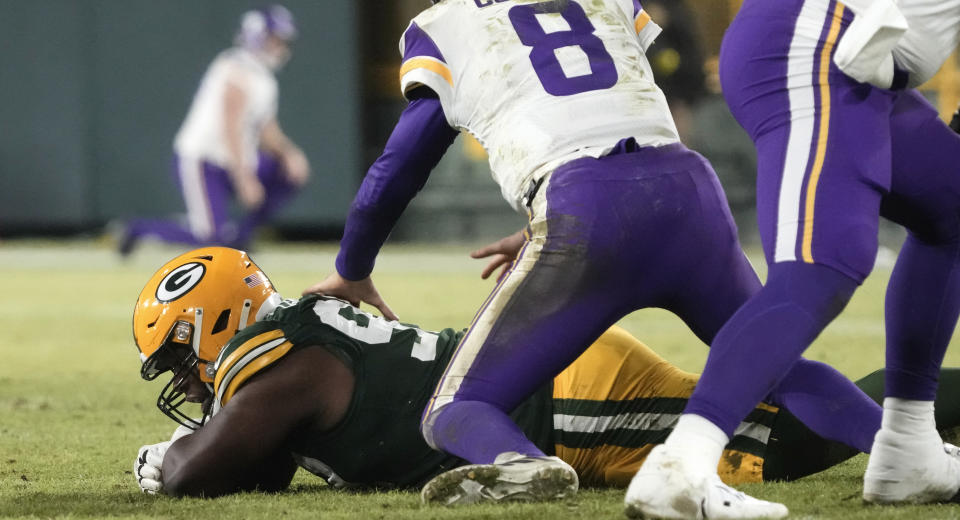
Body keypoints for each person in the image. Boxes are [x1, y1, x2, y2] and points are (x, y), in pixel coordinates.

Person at [301, 0, 894, 513]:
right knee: (776, 365)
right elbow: (606, 111)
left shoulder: (447, 22)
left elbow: (398, 167)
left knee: (455, 409)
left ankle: (524, 465)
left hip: (583, 212)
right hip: (687, 190)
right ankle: (901, 448)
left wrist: (352, 267)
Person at [626, 0, 960, 518]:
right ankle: (682, 466)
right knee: (822, 265)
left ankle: (910, 450)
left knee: (952, 204)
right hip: (821, 41)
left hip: (831, 37)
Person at [130, 247, 960, 498]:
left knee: (788, 442)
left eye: (179, 352)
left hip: (563, 400)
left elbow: (192, 476)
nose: (186, 378)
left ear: (217, 325)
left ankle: (928, 413)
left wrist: (160, 457)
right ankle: (921, 415)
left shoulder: (281, 369)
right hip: (544, 382)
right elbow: (256, 471)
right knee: (784, 419)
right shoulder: (294, 347)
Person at [119, 5, 309, 255]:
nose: (280, 46)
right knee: (211, 240)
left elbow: (265, 129)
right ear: (257, 37)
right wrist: (244, 178)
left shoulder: (264, 77)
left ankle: (241, 238)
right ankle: (138, 229)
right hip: (203, 161)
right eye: (275, 39)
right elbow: (231, 126)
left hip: (232, 161)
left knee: (287, 174)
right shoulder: (235, 67)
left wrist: (289, 153)